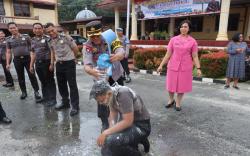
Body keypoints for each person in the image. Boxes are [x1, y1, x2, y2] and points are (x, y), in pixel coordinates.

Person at [83, 21, 125, 131]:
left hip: (115, 74)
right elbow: (87, 65)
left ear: (101, 32)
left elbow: (121, 51)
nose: (95, 38)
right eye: (92, 36)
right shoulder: (88, 45)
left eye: (97, 35)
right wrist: (91, 71)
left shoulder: (110, 37)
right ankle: (105, 123)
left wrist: (118, 56)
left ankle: (122, 121)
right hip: (99, 76)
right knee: (102, 101)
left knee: (120, 97)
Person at [89, 81, 151, 156]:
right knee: (106, 148)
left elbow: (128, 121)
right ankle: (136, 141)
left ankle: (137, 151)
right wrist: (109, 134)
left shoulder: (123, 93)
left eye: (101, 101)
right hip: (130, 125)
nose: (101, 103)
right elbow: (112, 119)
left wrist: (106, 133)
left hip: (141, 126)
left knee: (112, 142)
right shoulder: (111, 95)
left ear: (108, 93)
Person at [157, 20, 202, 111]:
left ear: (189, 28)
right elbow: (168, 54)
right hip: (173, 65)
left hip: (186, 67)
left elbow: (195, 56)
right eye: (182, 26)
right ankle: (171, 100)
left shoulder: (193, 41)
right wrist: (161, 65)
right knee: (171, 85)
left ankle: (178, 103)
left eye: (185, 27)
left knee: (182, 86)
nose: (183, 28)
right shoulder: (173, 40)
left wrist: (198, 68)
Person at [44, 22, 80, 116]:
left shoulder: (66, 37)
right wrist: (52, 63)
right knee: (61, 85)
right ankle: (65, 103)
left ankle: (75, 106)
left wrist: (74, 58)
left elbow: (75, 48)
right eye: (49, 32)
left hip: (69, 63)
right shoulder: (49, 41)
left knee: (72, 85)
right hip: (59, 64)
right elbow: (52, 51)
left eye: (52, 30)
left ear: (55, 28)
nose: (51, 33)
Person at [5, 22, 42, 102]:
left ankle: (36, 92)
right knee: (20, 76)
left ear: (17, 28)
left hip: (27, 59)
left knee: (32, 75)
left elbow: (32, 49)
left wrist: (33, 59)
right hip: (17, 60)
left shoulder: (26, 37)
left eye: (14, 27)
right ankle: (24, 92)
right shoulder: (9, 40)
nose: (13, 29)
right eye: (11, 28)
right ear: (9, 29)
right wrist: (8, 63)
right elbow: (8, 52)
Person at [29, 23, 57, 106]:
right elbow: (33, 53)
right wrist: (31, 65)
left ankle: (53, 99)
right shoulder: (32, 40)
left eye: (39, 28)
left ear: (42, 29)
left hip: (47, 62)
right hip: (38, 63)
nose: (37, 30)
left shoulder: (47, 38)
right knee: (43, 81)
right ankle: (45, 97)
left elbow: (52, 51)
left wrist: (52, 63)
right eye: (35, 28)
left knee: (50, 81)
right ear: (33, 30)